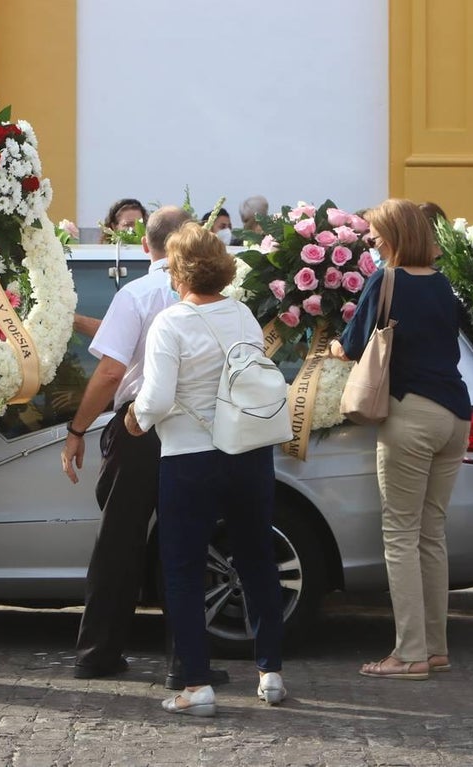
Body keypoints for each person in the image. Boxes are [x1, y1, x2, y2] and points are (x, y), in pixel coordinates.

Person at [62, 206, 229, 690]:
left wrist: (77, 430)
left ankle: (98, 651)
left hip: (138, 429)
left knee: (118, 539)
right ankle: (187, 658)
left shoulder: (135, 293)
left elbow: (112, 370)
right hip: (197, 428)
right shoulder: (217, 296)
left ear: (145, 246)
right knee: (187, 541)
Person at [126, 221, 286, 716]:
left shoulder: (171, 323)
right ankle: (271, 672)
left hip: (190, 457)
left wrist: (134, 421)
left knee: (183, 567)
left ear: (178, 273)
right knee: (258, 558)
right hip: (248, 450)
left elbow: (155, 398)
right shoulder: (241, 314)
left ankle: (196, 685)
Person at [331, 199, 471, 681]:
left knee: (400, 535)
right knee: (431, 534)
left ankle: (409, 654)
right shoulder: (442, 283)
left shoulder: (385, 280)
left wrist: (330, 346)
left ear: (392, 235)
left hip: (412, 413)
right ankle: (435, 647)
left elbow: (351, 346)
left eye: (375, 234)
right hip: (456, 414)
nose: (371, 241)